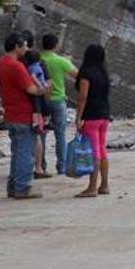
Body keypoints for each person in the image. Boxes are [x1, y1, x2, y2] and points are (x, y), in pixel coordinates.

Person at [0, 33, 46, 200]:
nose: (26, 49)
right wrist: (41, 89)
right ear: (17, 46)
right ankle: (22, 187)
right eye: (24, 46)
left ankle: (14, 185)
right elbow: (31, 89)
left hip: (10, 112)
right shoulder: (16, 66)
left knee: (17, 151)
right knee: (25, 152)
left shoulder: (1, 63)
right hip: (23, 113)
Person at [74, 44, 111, 198]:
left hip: (91, 116)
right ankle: (104, 185)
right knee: (102, 149)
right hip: (104, 115)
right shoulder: (104, 73)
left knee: (93, 151)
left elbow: (83, 97)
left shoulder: (86, 73)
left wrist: (78, 117)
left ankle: (91, 187)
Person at [39, 34, 76, 176]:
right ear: (56, 45)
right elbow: (77, 75)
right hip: (58, 100)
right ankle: (61, 167)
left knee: (41, 134)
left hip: (41, 102)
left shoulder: (38, 59)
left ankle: (41, 166)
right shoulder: (61, 61)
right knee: (60, 134)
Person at [25, 48, 53, 180]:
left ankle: (43, 123)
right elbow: (35, 78)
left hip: (38, 101)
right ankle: (38, 167)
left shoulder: (32, 66)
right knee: (38, 137)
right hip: (38, 100)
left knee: (38, 136)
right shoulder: (34, 67)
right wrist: (42, 87)